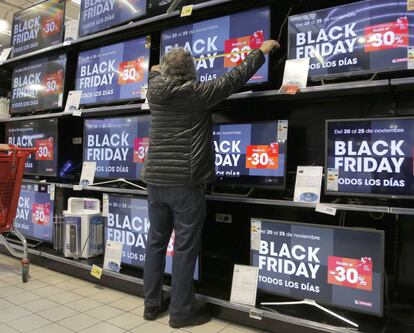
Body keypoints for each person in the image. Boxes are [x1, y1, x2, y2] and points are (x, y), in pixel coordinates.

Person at [141, 39, 280, 329]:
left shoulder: (154, 91)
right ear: (192, 71)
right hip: (186, 183)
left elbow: (155, 74)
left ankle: (151, 306)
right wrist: (261, 51)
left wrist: (155, 71)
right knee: (184, 248)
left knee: (155, 243)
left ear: (164, 72)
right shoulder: (198, 93)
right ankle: (181, 313)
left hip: (154, 181)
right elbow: (234, 77)